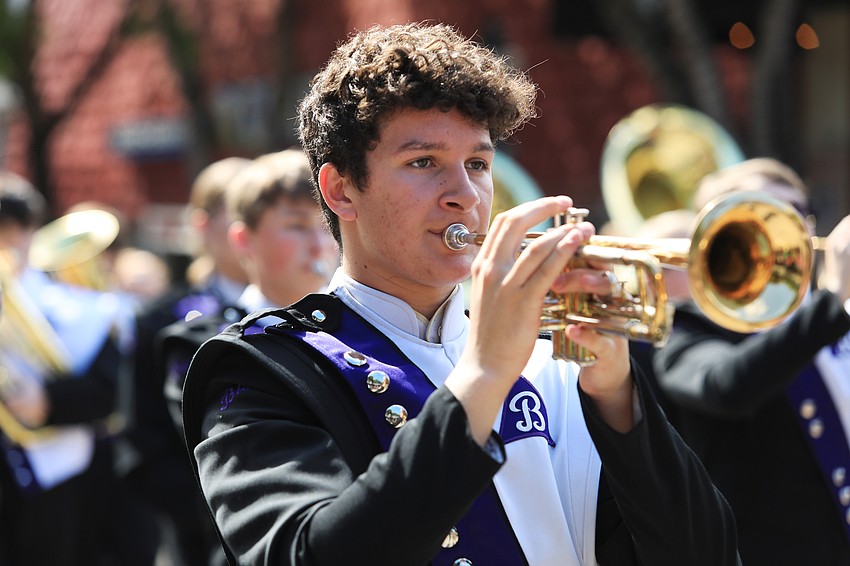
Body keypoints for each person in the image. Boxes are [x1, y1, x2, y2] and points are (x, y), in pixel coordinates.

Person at [180, 22, 739, 565]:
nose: (465, 195)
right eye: (423, 163)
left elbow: (708, 553)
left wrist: (618, 398)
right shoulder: (266, 369)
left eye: (477, 163)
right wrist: (484, 376)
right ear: (341, 189)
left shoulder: (557, 354)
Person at [652, 157, 850, 565]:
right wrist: (832, 299)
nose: (791, 227)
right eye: (765, 213)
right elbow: (727, 387)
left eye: (798, 212)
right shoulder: (689, 330)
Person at [0, 171, 140, 565]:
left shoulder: (80, 308)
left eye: (14, 230)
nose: (7, 244)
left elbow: (109, 391)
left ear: (30, 232)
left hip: (64, 479)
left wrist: (47, 400)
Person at [117, 156, 252, 566]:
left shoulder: (308, 313)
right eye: (238, 215)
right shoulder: (161, 321)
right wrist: (208, 507)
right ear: (202, 225)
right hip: (203, 534)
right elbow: (142, 436)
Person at [159, 147, 337, 430]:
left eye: (327, 225)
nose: (319, 245)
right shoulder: (208, 346)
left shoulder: (366, 320)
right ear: (243, 240)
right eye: (296, 226)